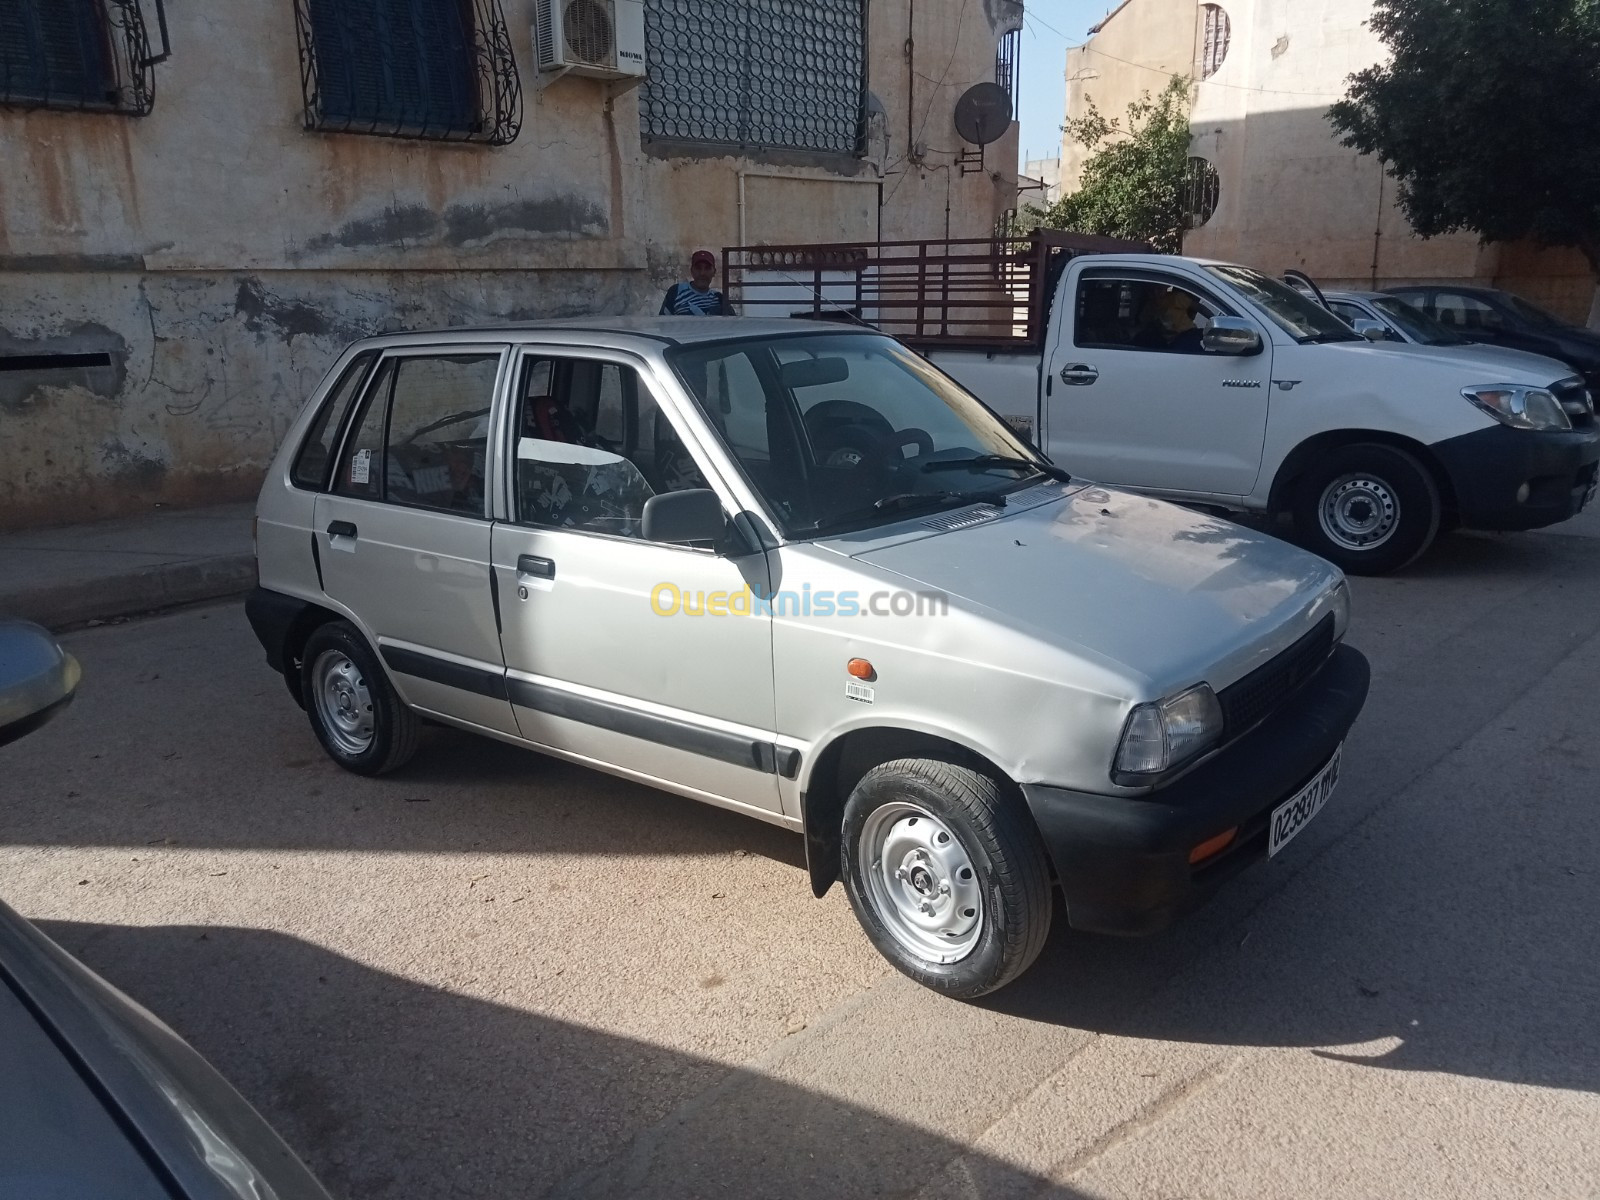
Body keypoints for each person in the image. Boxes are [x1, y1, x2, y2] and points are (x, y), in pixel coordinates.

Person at [660, 250, 735, 316]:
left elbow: (732, 326)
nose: (702, 273)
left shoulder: (719, 299)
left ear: (714, 272)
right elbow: (663, 323)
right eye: (698, 268)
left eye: (707, 268)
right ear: (692, 271)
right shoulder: (676, 291)